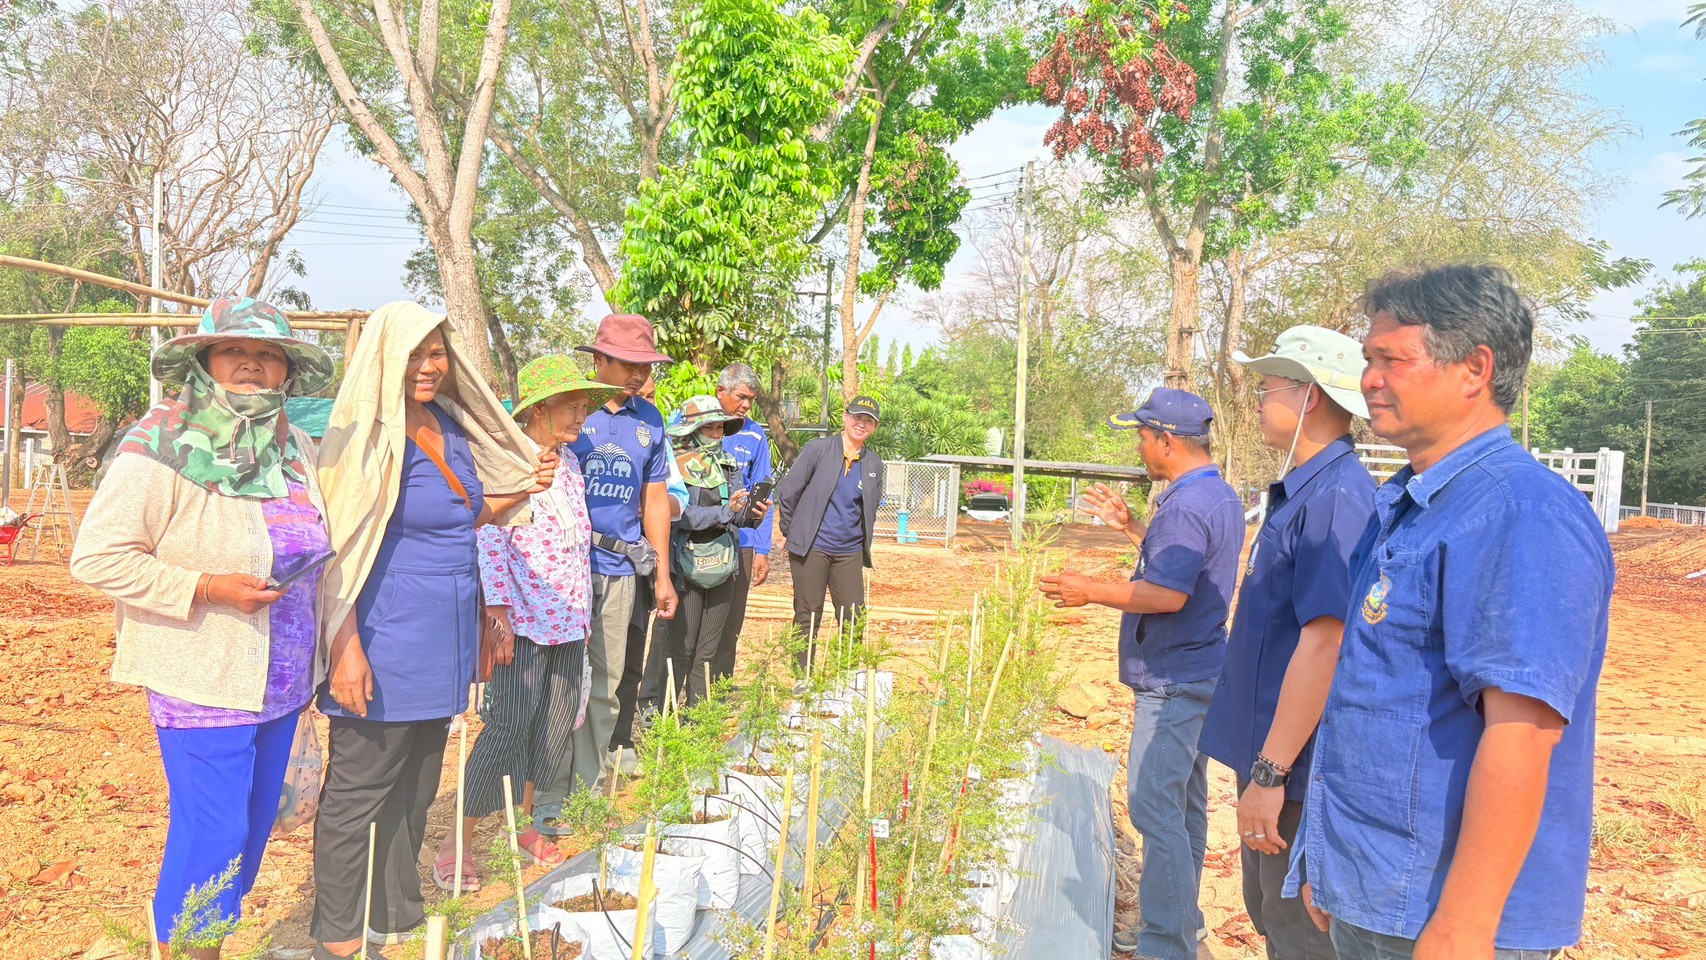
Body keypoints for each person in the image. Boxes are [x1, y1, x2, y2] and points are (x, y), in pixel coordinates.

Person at [1285, 265, 1614, 960]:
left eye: (1392, 360)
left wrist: (1464, 927)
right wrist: (1331, 860)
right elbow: (1374, 698)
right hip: (1379, 890)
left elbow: (1522, 732)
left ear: (1475, 369)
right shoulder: (1411, 504)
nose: (1370, 380)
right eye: (1368, 360)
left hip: (1443, 918)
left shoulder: (1518, 513)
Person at [70, 297, 335, 960]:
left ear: (287, 372)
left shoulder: (294, 446)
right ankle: (193, 948)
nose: (252, 363)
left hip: (283, 678)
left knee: (250, 828)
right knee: (213, 833)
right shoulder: (160, 443)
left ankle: (195, 938)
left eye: (269, 354)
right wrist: (208, 587)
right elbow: (98, 556)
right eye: (234, 350)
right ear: (203, 361)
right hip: (200, 671)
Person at [310, 302, 554, 957]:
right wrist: (346, 646)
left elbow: (463, 516)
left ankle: (395, 914)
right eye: (414, 353)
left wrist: (525, 489)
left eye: (437, 352)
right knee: (360, 788)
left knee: (416, 784)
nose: (428, 365)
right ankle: (337, 936)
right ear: (385, 359)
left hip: (442, 635)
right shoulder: (363, 436)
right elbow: (338, 550)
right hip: (382, 634)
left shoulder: (447, 424)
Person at [1039, 388, 1244, 960]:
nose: (1139, 446)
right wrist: (1132, 527)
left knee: (1153, 805)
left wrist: (1089, 590)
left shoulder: (1186, 505)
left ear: (1167, 441)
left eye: (1142, 435)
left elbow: (1168, 594)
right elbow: (1181, 567)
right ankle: (1181, 924)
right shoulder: (1216, 494)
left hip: (1172, 680)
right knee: (1182, 808)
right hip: (1200, 670)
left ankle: (1165, 943)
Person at [1196, 327, 1376, 960]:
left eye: (1268, 388)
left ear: (1310, 396)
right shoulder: (1303, 492)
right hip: (1271, 758)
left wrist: (1272, 774)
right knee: (1272, 913)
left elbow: (1326, 644)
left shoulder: (1337, 500)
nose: (1257, 401)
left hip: (1294, 770)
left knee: (1299, 931)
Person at [431, 357, 610, 891]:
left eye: (584, 406)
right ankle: (458, 840)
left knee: (552, 730)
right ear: (538, 410)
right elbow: (489, 539)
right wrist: (500, 615)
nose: (581, 416)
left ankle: (524, 825)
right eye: (571, 406)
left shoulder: (571, 464)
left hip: (570, 620)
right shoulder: (507, 463)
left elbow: (575, 546)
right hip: (525, 622)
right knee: (507, 728)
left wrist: (583, 615)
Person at [535, 313, 678, 824]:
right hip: (563, 570)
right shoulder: (572, 411)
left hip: (620, 571)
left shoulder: (650, 421)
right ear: (598, 360)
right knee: (557, 684)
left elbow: (655, 500)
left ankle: (584, 793)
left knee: (607, 684)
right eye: (627, 364)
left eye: (645, 366)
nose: (638, 375)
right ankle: (546, 796)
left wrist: (662, 574)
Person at [661, 395, 767, 704]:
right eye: (709, 428)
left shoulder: (729, 464)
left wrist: (752, 514)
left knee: (708, 650)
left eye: (720, 428)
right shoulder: (675, 466)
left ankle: (698, 719)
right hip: (689, 563)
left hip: (724, 563)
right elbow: (681, 515)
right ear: (692, 430)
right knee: (682, 648)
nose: (716, 434)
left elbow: (736, 516)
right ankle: (667, 717)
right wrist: (726, 512)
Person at [776, 396, 885, 668]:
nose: (861, 424)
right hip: (812, 548)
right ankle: (803, 677)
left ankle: (846, 676)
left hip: (849, 551)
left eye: (868, 421)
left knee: (853, 616)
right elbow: (788, 492)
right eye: (857, 417)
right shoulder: (818, 449)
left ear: (875, 427)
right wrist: (791, 531)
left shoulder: (873, 464)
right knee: (808, 612)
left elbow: (870, 508)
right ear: (846, 417)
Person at [706, 363, 776, 682]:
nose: (746, 405)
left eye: (751, 399)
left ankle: (719, 689)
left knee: (731, 621)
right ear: (721, 391)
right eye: (741, 397)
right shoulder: (695, 424)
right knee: (694, 619)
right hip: (700, 538)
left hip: (742, 542)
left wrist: (762, 549)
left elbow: (764, 493)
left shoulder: (755, 434)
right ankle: (680, 691)